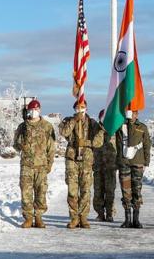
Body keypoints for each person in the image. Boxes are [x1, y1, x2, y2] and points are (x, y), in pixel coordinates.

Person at [58, 97, 105, 229]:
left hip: (86, 160)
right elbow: (63, 132)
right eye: (78, 108)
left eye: (83, 108)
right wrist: (74, 120)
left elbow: (98, 142)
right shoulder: (68, 121)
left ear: (87, 109)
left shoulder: (92, 123)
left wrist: (85, 143)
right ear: (74, 109)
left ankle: (83, 217)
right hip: (72, 159)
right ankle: (74, 218)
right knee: (72, 190)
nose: (80, 110)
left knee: (85, 190)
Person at [13, 98, 56, 228]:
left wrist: (49, 163)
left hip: (41, 165)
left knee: (41, 192)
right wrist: (21, 143)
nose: (34, 112)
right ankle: (28, 218)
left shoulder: (47, 126)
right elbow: (15, 144)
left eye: (36, 110)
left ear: (40, 110)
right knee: (26, 192)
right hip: (26, 165)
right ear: (28, 111)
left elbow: (51, 147)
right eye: (32, 110)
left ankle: (38, 217)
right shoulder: (23, 126)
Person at [116, 107, 151, 228]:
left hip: (138, 163)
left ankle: (136, 219)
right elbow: (117, 143)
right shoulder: (121, 126)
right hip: (124, 162)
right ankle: (127, 219)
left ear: (137, 114)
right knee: (126, 192)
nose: (133, 114)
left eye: (135, 113)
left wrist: (146, 162)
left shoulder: (142, 127)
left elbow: (147, 145)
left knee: (137, 191)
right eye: (130, 112)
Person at [92, 109, 118, 222]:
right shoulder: (96, 130)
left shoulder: (115, 131)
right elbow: (93, 144)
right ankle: (100, 213)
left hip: (111, 166)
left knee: (110, 191)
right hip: (98, 166)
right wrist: (101, 131)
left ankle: (110, 213)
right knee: (98, 191)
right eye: (102, 118)